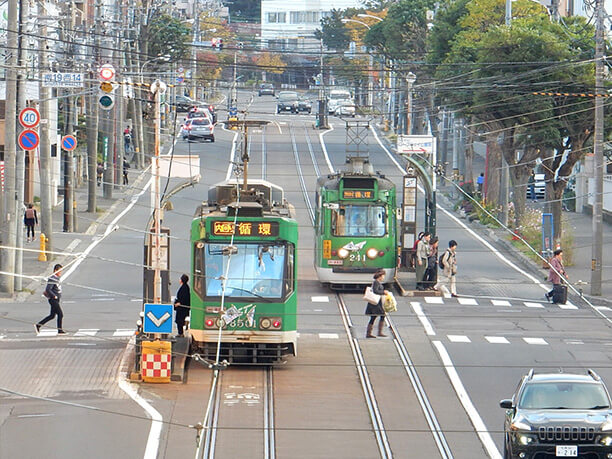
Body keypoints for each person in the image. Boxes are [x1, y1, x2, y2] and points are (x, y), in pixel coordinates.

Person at [36, 264, 66, 334]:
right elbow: (48, 289)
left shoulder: (56, 278)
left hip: (56, 299)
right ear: (55, 270)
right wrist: (54, 296)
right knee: (60, 314)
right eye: (59, 271)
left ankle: (38, 325)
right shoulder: (52, 278)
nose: (60, 273)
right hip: (53, 299)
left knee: (52, 316)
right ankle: (60, 330)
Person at [365, 269, 389, 338]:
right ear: (380, 276)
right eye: (383, 276)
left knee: (381, 315)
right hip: (375, 304)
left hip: (377, 303)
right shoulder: (376, 282)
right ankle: (371, 333)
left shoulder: (377, 282)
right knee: (375, 317)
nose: (384, 277)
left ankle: (378, 332)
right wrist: (383, 292)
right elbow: (375, 291)